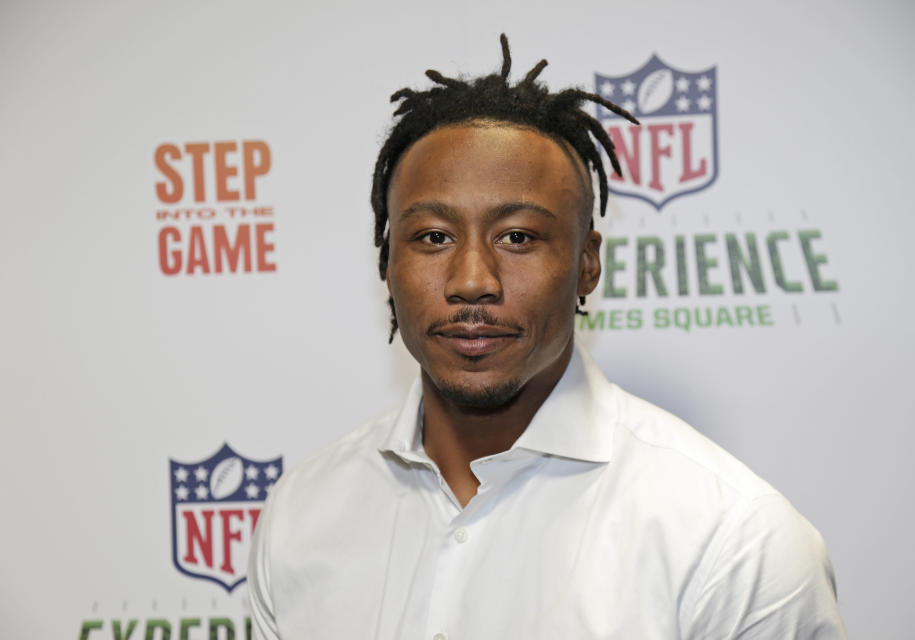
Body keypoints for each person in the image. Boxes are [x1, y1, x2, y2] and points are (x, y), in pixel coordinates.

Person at [248, 35, 847, 639]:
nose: (472, 281)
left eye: (518, 237)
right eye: (433, 237)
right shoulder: (302, 514)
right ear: (386, 263)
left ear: (588, 263)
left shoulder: (733, 541)